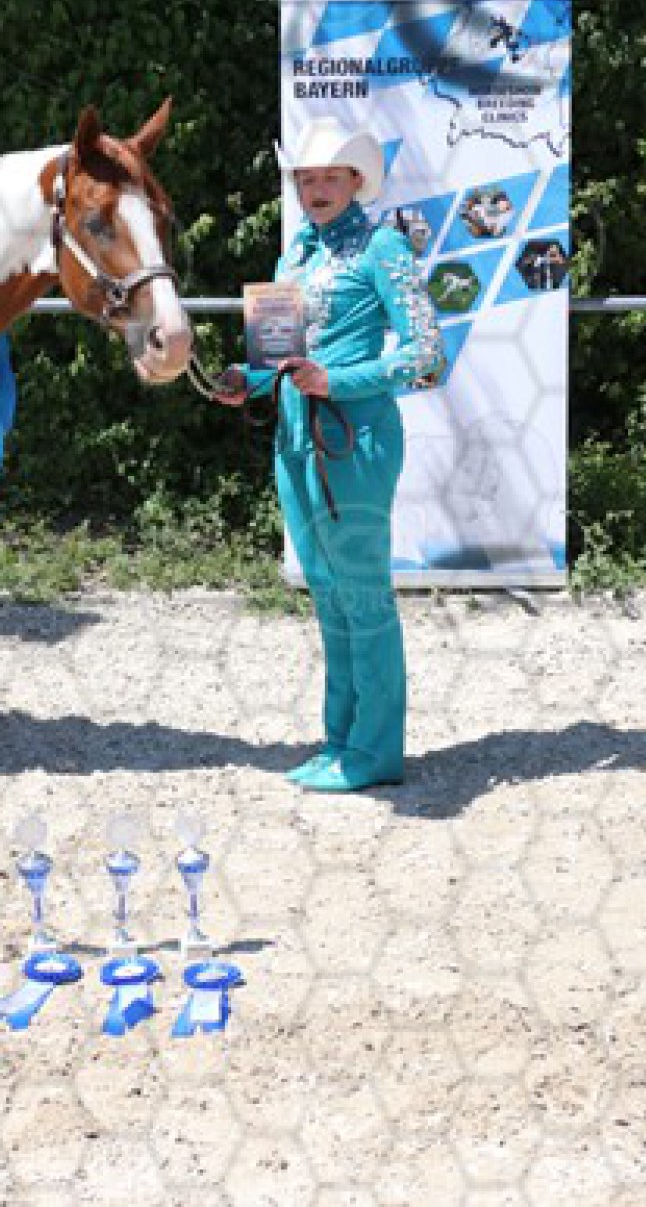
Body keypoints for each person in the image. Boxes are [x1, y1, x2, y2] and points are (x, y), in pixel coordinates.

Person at [213, 118, 447, 792]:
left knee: (362, 594)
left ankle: (374, 751)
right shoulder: (294, 254)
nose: (315, 189)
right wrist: (244, 380)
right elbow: (275, 361)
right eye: (306, 178)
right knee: (326, 590)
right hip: (295, 439)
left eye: (329, 177)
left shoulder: (384, 246)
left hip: (356, 441)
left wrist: (336, 380)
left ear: (355, 180)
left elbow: (427, 353)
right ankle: (341, 741)